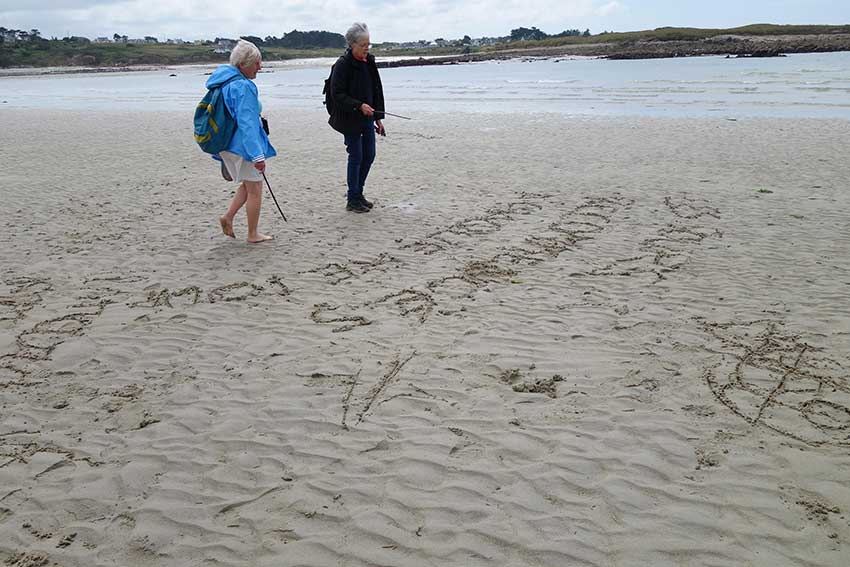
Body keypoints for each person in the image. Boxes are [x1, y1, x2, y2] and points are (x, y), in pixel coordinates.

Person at [208, 39, 276, 243]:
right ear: (242, 64)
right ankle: (253, 234)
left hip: (228, 145)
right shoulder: (243, 86)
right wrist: (257, 155)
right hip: (242, 146)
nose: (260, 67)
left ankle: (227, 217)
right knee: (255, 188)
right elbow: (246, 123)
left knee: (248, 185)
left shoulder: (224, 82)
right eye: (256, 63)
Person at [329, 22, 385, 213]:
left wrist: (378, 117)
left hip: (368, 118)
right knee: (356, 156)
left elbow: (376, 89)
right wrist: (359, 105)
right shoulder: (342, 65)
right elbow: (337, 94)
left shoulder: (369, 61)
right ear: (352, 44)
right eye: (363, 45)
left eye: (368, 44)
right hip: (349, 119)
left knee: (369, 155)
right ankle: (353, 198)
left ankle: (358, 194)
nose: (366, 48)